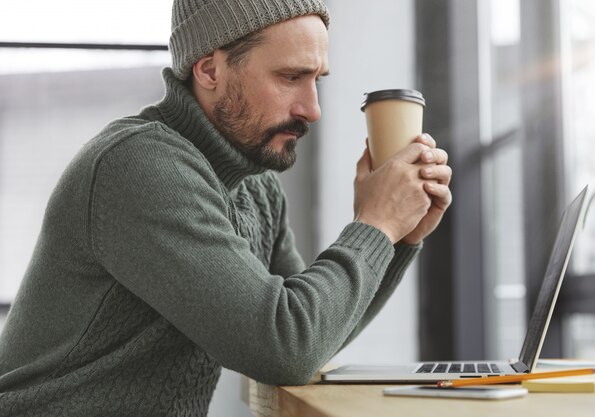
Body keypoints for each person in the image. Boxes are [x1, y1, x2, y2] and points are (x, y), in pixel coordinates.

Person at [0, 0, 452, 416]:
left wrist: (399, 236)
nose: (313, 109)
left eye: (317, 80)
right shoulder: (140, 165)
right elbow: (286, 346)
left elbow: (314, 337)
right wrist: (374, 225)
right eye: (290, 77)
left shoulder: (255, 189)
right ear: (210, 70)